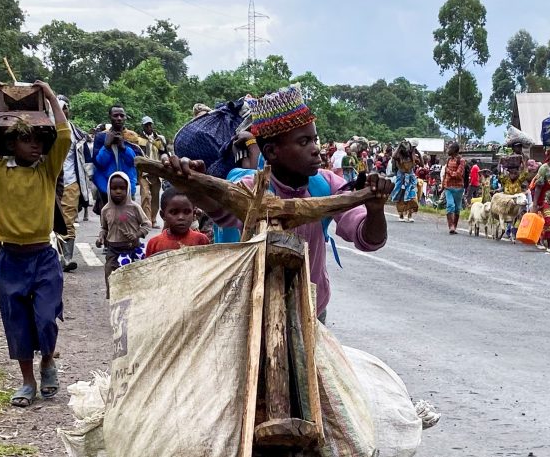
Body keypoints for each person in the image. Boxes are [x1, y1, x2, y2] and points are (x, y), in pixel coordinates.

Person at [165, 85, 393, 322]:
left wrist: (375, 211)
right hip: (252, 312)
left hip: (311, 311)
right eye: (304, 142)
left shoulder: (326, 185)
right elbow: (221, 211)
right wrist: (191, 185)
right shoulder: (250, 187)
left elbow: (368, 240)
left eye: (314, 139)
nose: (316, 149)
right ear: (272, 152)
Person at [0, 80, 71, 407]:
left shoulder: (47, 170)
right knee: (18, 323)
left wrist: (50, 96)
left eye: (38, 139)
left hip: (43, 256)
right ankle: (27, 382)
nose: (35, 146)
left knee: (46, 316)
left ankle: (48, 361)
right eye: (26, 139)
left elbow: (64, 136)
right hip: (10, 259)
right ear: (12, 143)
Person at [55, 96, 93, 273]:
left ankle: (66, 258)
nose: (63, 111)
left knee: (67, 220)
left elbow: (87, 163)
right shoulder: (47, 131)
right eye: (59, 107)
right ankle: (55, 256)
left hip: (71, 182)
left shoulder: (77, 135)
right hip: (51, 183)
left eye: (66, 108)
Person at [96, 172, 149, 298]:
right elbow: (104, 228)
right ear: (109, 189)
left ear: (128, 189)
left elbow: (146, 224)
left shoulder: (134, 208)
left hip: (132, 248)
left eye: (122, 188)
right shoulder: (106, 210)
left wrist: (137, 234)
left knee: (134, 279)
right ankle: (113, 298)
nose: (118, 191)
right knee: (110, 274)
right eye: (114, 188)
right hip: (113, 250)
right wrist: (101, 237)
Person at [92, 105, 142, 212]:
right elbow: (99, 163)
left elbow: (134, 162)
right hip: (106, 187)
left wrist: (123, 147)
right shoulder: (101, 137)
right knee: (108, 220)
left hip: (127, 187)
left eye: (121, 115)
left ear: (125, 118)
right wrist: (107, 147)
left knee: (127, 219)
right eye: (115, 115)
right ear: (110, 117)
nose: (119, 118)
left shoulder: (131, 136)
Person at [145, 188, 211, 258]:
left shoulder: (201, 240)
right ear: (163, 215)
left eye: (187, 212)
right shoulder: (154, 244)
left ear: (193, 213)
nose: (181, 217)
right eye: (174, 212)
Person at [139, 116, 169, 227]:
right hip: (144, 172)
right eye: (146, 125)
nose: (149, 127)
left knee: (155, 197)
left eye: (150, 125)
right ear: (143, 126)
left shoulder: (159, 139)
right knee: (146, 195)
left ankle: (153, 219)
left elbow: (164, 152)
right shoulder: (139, 139)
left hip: (156, 172)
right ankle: (146, 220)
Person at [391, 140, 421, 222]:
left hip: (410, 177)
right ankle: (401, 215)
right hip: (401, 177)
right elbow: (393, 156)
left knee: (412, 196)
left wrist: (418, 153)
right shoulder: (398, 156)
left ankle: (410, 215)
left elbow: (421, 163)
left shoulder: (412, 156)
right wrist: (399, 146)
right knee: (400, 196)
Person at [442, 142, 466, 234]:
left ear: (454, 150)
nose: (448, 150)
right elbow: (445, 174)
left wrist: (449, 171)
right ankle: (451, 226)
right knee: (450, 205)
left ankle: (454, 226)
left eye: (449, 148)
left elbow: (458, 174)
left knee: (457, 208)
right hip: (448, 187)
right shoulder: (448, 160)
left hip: (458, 188)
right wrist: (443, 185)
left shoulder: (461, 160)